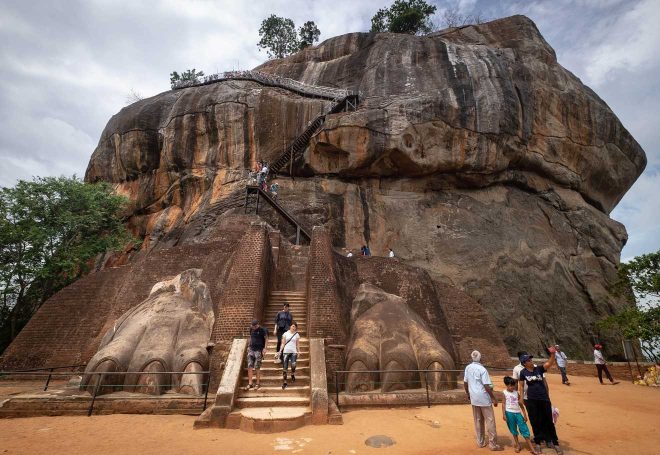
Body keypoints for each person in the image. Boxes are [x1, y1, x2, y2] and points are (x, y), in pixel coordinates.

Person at [518, 350, 563, 454]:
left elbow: (549, 363)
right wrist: (520, 397)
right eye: (529, 360)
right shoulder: (523, 372)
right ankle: (538, 443)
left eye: (531, 359)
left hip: (544, 399)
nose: (531, 361)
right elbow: (521, 385)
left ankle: (555, 443)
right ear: (524, 363)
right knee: (535, 421)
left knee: (548, 421)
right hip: (532, 400)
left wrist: (552, 354)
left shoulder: (539, 369)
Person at [463, 350, 503, 451]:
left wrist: (468, 394)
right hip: (483, 398)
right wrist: (493, 398)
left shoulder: (468, 368)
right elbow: (486, 385)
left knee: (478, 420)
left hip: (474, 397)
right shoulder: (482, 369)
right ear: (480, 358)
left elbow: (465, 383)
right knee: (490, 420)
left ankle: (480, 442)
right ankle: (492, 444)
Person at [502, 376, 539, 454]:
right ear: (506, 385)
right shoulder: (504, 393)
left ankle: (531, 448)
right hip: (509, 413)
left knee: (524, 429)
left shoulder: (516, 393)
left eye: (513, 385)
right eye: (510, 385)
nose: (512, 387)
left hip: (518, 413)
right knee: (513, 430)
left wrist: (525, 415)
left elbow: (521, 404)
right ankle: (518, 445)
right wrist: (504, 414)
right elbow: (503, 404)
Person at [245, 319, 268, 391]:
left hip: (259, 350)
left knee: (257, 367)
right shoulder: (251, 329)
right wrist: (248, 346)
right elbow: (251, 337)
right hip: (251, 349)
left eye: (254, 326)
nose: (253, 327)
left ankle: (258, 383)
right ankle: (250, 383)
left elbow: (266, 339)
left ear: (257, 324)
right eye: (252, 326)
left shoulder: (262, 330)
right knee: (249, 366)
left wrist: (265, 348)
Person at [279, 322, 300, 389]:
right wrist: (280, 351)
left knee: (293, 365)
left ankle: (292, 374)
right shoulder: (285, 334)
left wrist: (298, 351)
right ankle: (285, 382)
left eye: (295, 327)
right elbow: (283, 343)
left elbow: (297, 344)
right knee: (285, 368)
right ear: (290, 326)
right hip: (286, 352)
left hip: (294, 352)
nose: (294, 328)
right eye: (293, 326)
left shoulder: (296, 334)